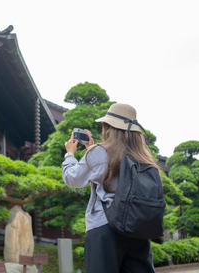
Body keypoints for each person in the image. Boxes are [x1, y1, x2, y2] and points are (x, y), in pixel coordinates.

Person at [62, 103, 156, 273]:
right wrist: (91, 149)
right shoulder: (144, 157)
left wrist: (70, 154)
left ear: (108, 127)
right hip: (137, 228)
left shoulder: (100, 152)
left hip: (105, 227)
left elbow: (72, 178)